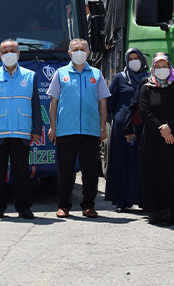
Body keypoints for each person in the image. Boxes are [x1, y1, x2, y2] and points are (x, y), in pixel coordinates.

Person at [126, 52, 174, 226]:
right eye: (158, 66)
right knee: (156, 176)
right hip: (154, 140)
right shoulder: (146, 87)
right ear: (152, 68)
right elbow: (144, 111)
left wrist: (170, 127)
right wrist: (162, 129)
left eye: (165, 66)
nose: (162, 70)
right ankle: (160, 215)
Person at [47, 39, 110, 218]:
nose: (79, 52)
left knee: (90, 171)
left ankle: (88, 205)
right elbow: (53, 102)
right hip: (66, 130)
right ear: (69, 53)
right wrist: (53, 127)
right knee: (65, 170)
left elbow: (103, 102)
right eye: (75, 49)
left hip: (90, 130)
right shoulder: (60, 73)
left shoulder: (96, 74)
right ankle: (63, 206)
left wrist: (102, 128)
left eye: (83, 49)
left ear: (89, 53)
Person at [0, 40, 42, 220]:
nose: (9, 53)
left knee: (22, 172)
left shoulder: (30, 76)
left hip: (21, 131)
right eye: (5, 51)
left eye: (12, 50)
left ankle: (23, 207)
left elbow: (36, 105)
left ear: (19, 53)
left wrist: (36, 128)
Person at [105, 48, 147, 212]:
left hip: (143, 127)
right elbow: (110, 103)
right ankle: (121, 200)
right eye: (131, 59)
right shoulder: (119, 78)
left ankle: (142, 199)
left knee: (141, 163)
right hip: (122, 128)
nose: (134, 61)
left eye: (137, 58)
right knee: (122, 162)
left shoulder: (149, 78)